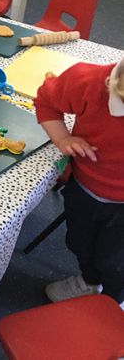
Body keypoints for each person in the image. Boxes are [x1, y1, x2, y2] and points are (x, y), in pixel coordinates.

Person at [34, 58, 124, 309]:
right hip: (84, 189)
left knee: (115, 262)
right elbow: (46, 101)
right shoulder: (87, 81)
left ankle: (114, 301)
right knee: (78, 242)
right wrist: (63, 138)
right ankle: (89, 281)